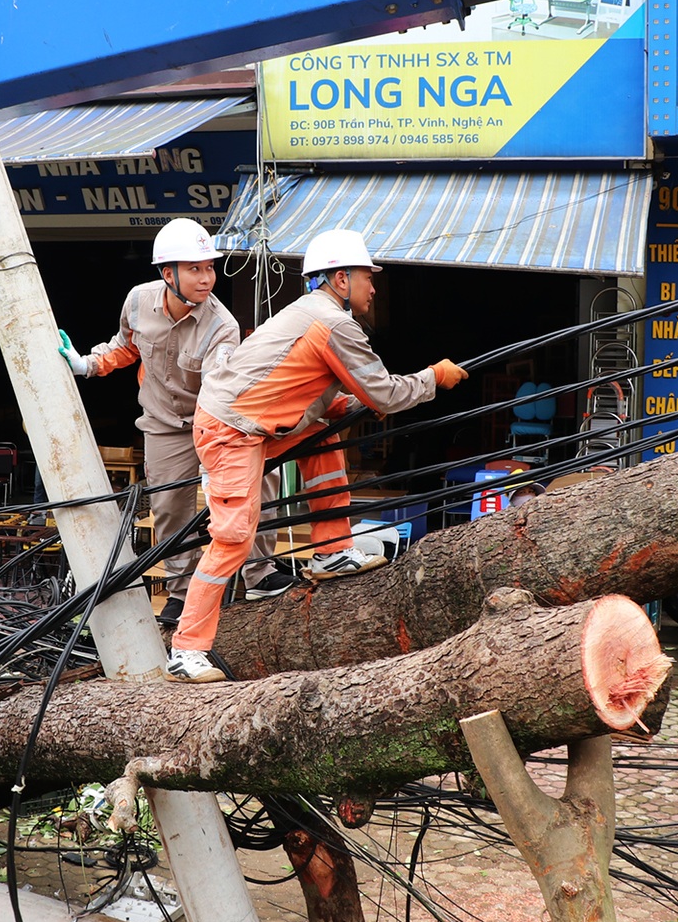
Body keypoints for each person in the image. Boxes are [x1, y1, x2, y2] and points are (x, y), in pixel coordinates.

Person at [165, 228, 466, 682]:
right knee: (233, 538)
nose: (374, 287)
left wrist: (352, 402)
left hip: (246, 422)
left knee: (323, 435)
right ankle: (186, 650)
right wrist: (433, 378)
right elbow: (385, 394)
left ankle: (331, 550)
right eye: (368, 277)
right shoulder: (336, 324)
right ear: (341, 279)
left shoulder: (312, 312)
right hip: (233, 431)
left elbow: (302, 385)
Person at [60, 218, 294, 626]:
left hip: (214, 418)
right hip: (164, 424)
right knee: (169, 508)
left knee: (258, 482)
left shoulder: (222, 326)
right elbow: (126, 346)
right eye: (195, 269)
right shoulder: (138, 301)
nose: (206, 278)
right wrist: (88, 365)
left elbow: (219, 393)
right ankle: (181, 593)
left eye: (210, 268)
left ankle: (259, 573)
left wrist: (214, 457)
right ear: (168, 274)